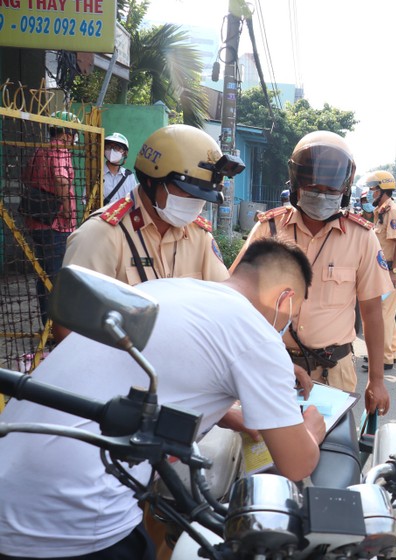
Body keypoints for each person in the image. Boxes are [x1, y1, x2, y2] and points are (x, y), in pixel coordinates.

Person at [0, 237, 326, 560]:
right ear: (286, 298)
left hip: (11, 477)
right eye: (291, 317)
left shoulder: (166, 289)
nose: (285, 327)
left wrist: (227, 414)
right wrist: (311, 428)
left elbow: (141, 377)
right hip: (71, 518)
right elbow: (295, 464)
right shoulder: (256, 334)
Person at [231, 131, 392, 415]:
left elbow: (371, 313)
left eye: (330, 191)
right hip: (273, 368)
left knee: (332, 455)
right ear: (296, 183)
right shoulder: (269, 229)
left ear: (344, 189)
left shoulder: (362, 238)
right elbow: (236, 300)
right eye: (313, 187)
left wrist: (377, 381)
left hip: (334, 374)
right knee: (262, 456)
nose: (321, 195)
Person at [55, 124, 243, 342]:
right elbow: (67, 330)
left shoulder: (199, 235)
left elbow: (224, 304)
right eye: (188, 192)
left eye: (203, 197)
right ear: (151, 180)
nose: (196, 205)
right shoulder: (101, 235)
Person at [21, 110, 80, 327]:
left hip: (37, 220)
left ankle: (48, 324)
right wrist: (66, 208)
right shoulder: (60, 151)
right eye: (73, 132)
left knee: (44, 274)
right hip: (56, 224)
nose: (74, 138)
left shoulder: (39, 151)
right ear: (66, 132)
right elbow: (61, 179)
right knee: (55, 276)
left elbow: (27, 177)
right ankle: (56, 329)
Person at [365, 170, 396, 370]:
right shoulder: (381, 210)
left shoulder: (393, 212)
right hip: (384, 269)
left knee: (382, 314)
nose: (371, 193)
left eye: (373, 190)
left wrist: (394, 271)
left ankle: (382, 359)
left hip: (390, 269)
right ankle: (390, 353)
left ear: (383, 190)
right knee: (387, 313)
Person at [101, 132, 137, 204]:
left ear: (124, 153)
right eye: (108, 147)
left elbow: (135, 201)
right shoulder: (97, 175)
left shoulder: (129, 177)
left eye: (117, 148)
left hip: (125, 215)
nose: (111, 151)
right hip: (101, 215)